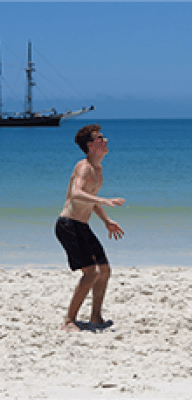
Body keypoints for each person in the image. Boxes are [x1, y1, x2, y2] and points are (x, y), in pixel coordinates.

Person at [55, 124, 126, 332]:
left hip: (82, 225)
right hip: (68, 225)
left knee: (104, 270)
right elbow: (76, 194)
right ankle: (69, 320)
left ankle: (96, 316)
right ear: (90, 145)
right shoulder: (83, 167)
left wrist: (106, 221)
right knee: (91, 272)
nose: (105, 140)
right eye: (100, 138)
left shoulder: (98, 170)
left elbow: (91, 202)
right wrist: (104, 199)